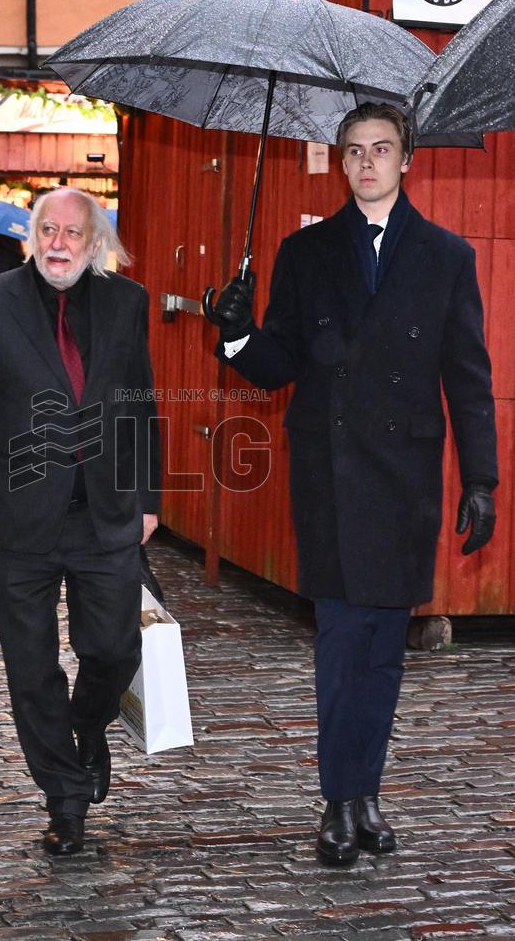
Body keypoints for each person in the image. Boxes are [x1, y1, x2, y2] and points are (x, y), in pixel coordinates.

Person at [211, 103, 497, 867]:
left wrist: (482, 479)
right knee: (341, 645)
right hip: (331, 480)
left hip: (404, 479)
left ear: (407, 160)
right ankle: (339, 803)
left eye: (381, 149)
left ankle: (366, 794)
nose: (366, 163)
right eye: (353, 151)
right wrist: (236, 333)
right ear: (339, 163)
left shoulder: (446, 257)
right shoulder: (305, 253)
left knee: (384, 652)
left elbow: (468, 377)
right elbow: (277, 365)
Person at [0, 188, 160, 857]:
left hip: (104, 515)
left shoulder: (128, 304)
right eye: (48, 230)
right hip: (17, 517)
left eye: (73, 232)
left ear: (96, 243)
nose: (58, 242)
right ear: (32, 235)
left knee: (115, 650)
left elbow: (140, 403)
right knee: (31, 670)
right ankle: (65, 799)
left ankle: (87, 729)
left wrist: (147, 495)